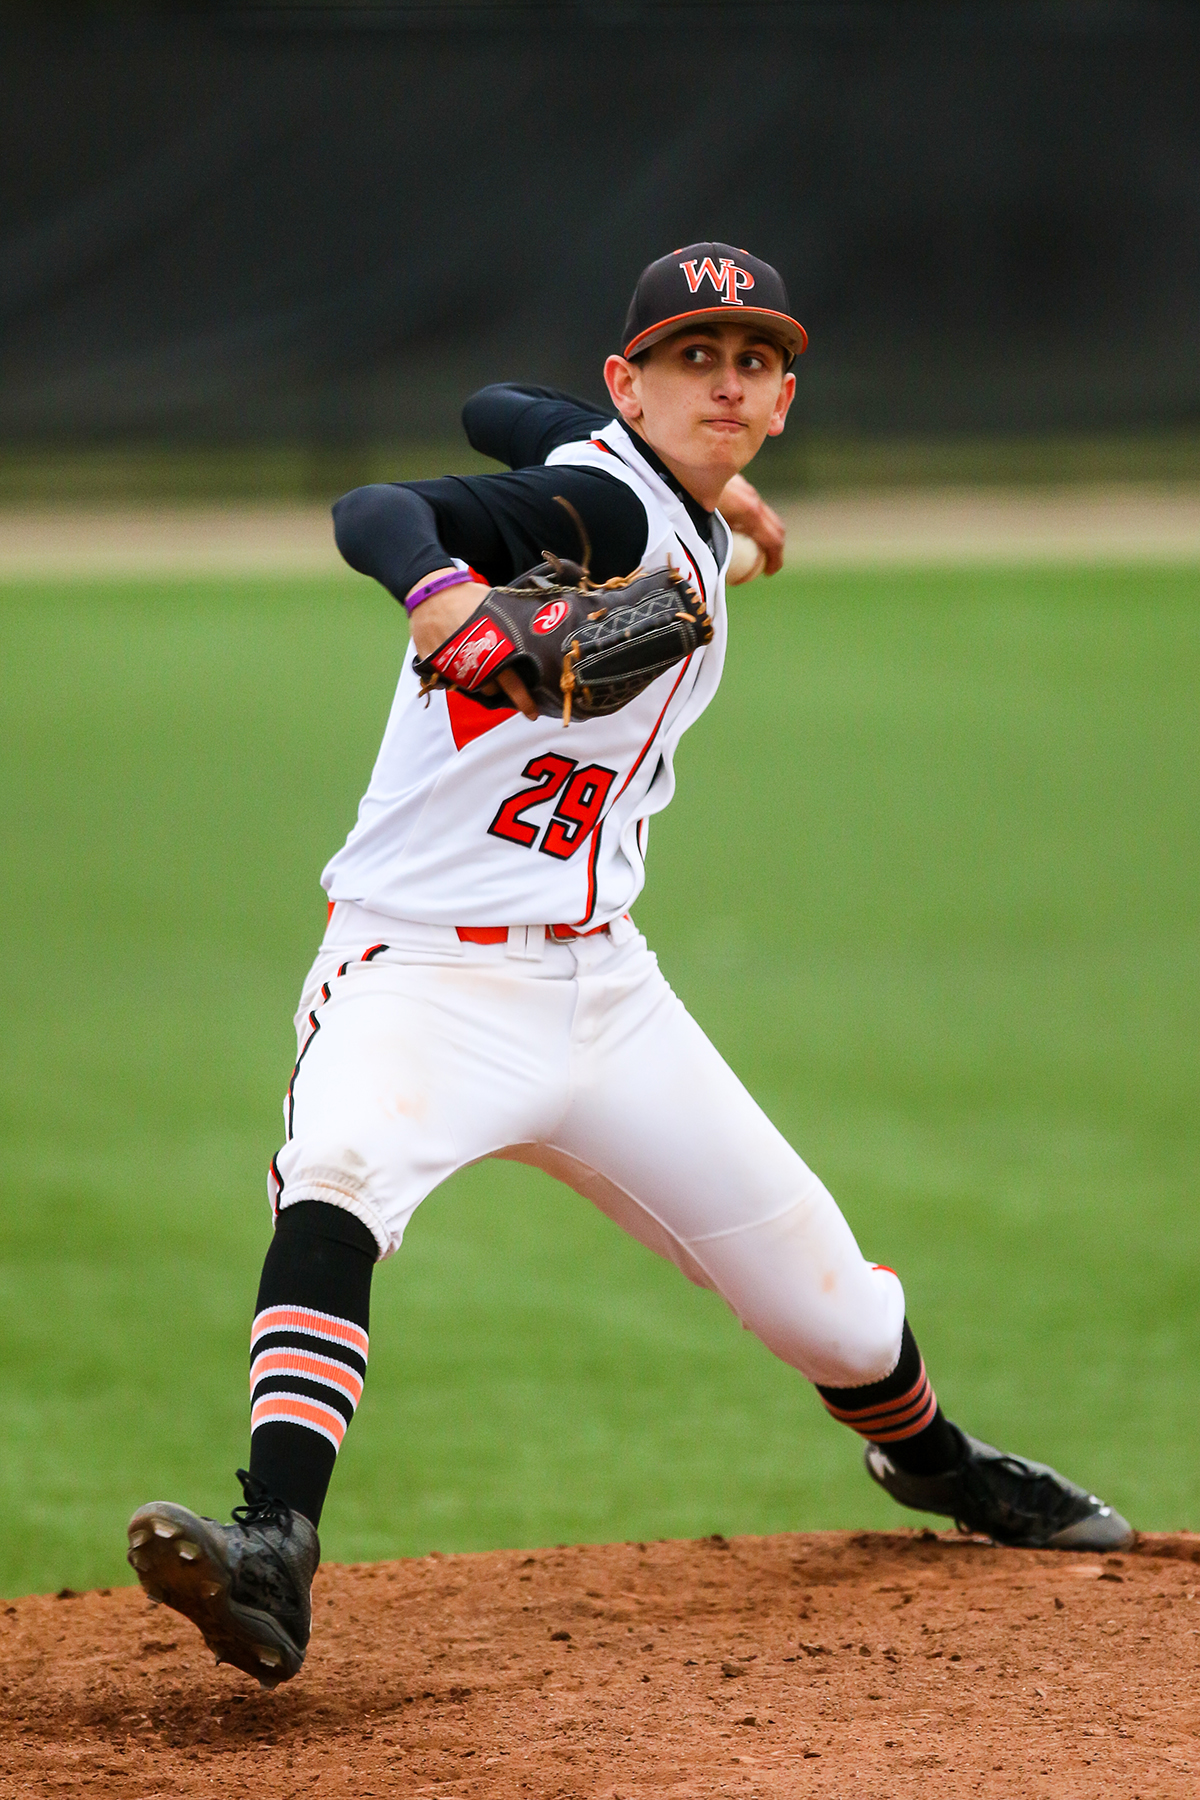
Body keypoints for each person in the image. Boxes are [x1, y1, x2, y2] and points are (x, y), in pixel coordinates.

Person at [126, 243, 1132, 1689]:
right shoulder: (596, 506)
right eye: (690, 358)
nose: (725, 384)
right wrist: (443, 597)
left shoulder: (648, 483)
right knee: (339, 1174)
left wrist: (711, 498)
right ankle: (274, 1544)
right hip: (419, 979)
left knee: (838, 1314)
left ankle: (939, 1466)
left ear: (783, 400)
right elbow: (377, 507)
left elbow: (495, 402)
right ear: (629, 383)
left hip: (608, 995)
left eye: (752, 363)